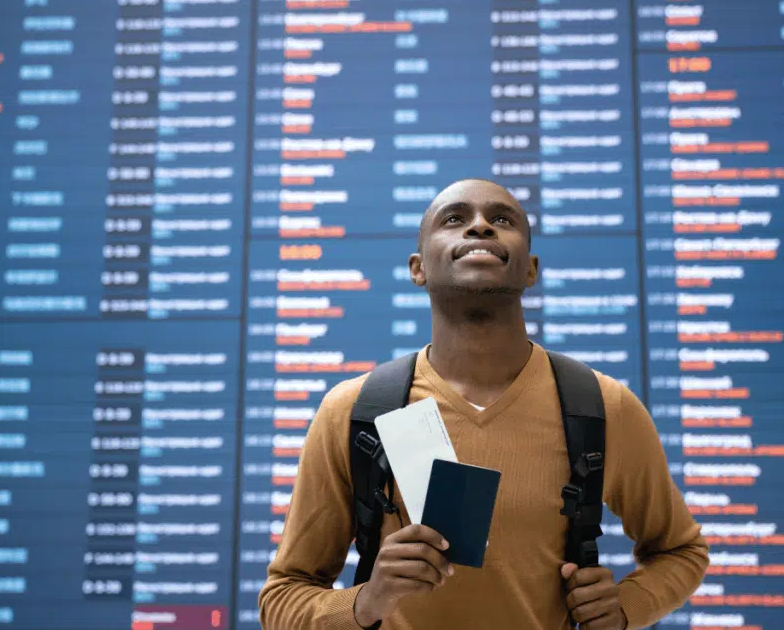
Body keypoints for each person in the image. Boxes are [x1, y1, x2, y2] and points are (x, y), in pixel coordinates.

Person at [258, 179, 709, 630]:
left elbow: (681, 551)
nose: (480, 228)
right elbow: (282, 598)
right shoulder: (356, 411)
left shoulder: (602, 407)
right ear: (418, 268)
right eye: (454, 219)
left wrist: (628, 606)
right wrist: (366, 602)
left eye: (501, 220)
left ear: (530, 270)